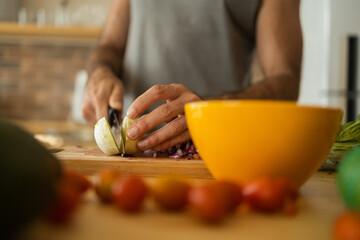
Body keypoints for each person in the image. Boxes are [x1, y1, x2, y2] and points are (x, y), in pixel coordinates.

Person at [82, 0, 302, 152]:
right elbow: (110, 45)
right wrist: (100, 72)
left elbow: (286, 79)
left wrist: (207, 110)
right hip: (129, 155)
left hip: (214, 154)